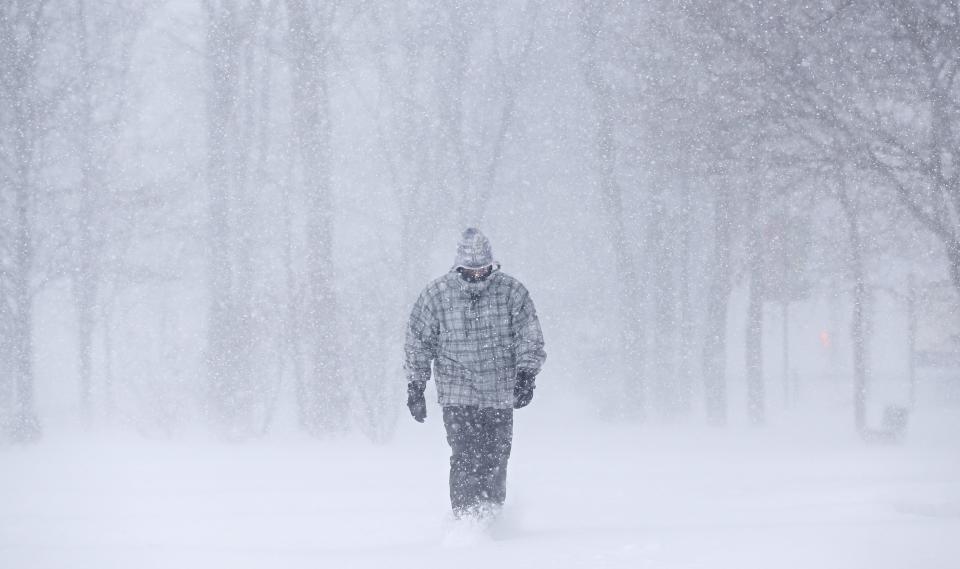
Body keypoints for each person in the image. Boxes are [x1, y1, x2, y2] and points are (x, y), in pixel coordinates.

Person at [404, 228, 546, 520]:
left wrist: (526, 374)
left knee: (495, 456)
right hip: (457, 391)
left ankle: (492, 515)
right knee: (465, 455)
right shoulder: (436, 295)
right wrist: (416, 386)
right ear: (458, 267)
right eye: (471, 270)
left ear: (492, 264)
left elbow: (529, 335)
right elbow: (419, 341)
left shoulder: (511, 292)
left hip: (499, 389)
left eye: (483, 269)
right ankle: (465, 518)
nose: (478, 275)